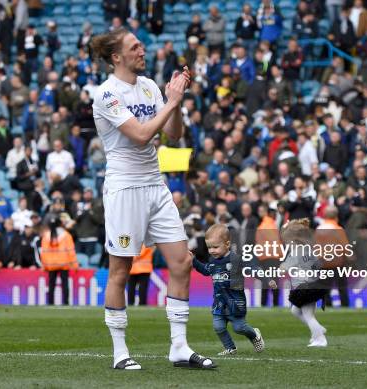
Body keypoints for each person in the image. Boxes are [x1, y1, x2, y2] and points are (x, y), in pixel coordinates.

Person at [91, 28, 214, 370]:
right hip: (125, 189)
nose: (142, 50)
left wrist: (177, 99)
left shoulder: (148, 86)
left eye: (141, 44)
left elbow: (172, 134)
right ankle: (119, 352)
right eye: (135, 46)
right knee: (121, 270)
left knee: (182, 261)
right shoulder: (106, 94)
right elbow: (143, 136)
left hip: (154, 185)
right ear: (117, 57)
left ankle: (178, 346)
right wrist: (172, 101)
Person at [192, 224, 265, 355]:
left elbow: (251, 269)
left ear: (227, 244)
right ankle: (230, 348)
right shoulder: (213, 262)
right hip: (219, 303)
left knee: (239, 328)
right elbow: (205, 270)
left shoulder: (236, 259)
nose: (212, 251)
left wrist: (266, 279)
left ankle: (254, 334)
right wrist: (194, 261)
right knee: (218, 327)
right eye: (209, 247)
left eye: (215, 247)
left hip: (235, 302)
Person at [279, 218, 328, 347]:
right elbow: (318, 263)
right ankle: (318, 330)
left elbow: (283, 269)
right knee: (295, 311)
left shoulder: (296, 252)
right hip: (313, 285)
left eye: (286, 241)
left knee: (308, 315)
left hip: (306, 288)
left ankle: (320, 339)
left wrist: (281, 267)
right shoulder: (308, 248)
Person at [40, 217, 78, 305]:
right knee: (65, 284)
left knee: (51, 285)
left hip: (51, 265)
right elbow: (71, 251)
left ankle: (50, 303)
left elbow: (43, 252)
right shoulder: (66, 235)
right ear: (61, 224)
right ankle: (66, 303)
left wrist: (44, 266)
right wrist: (75, 265)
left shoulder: (46, 236)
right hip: (63, 264)